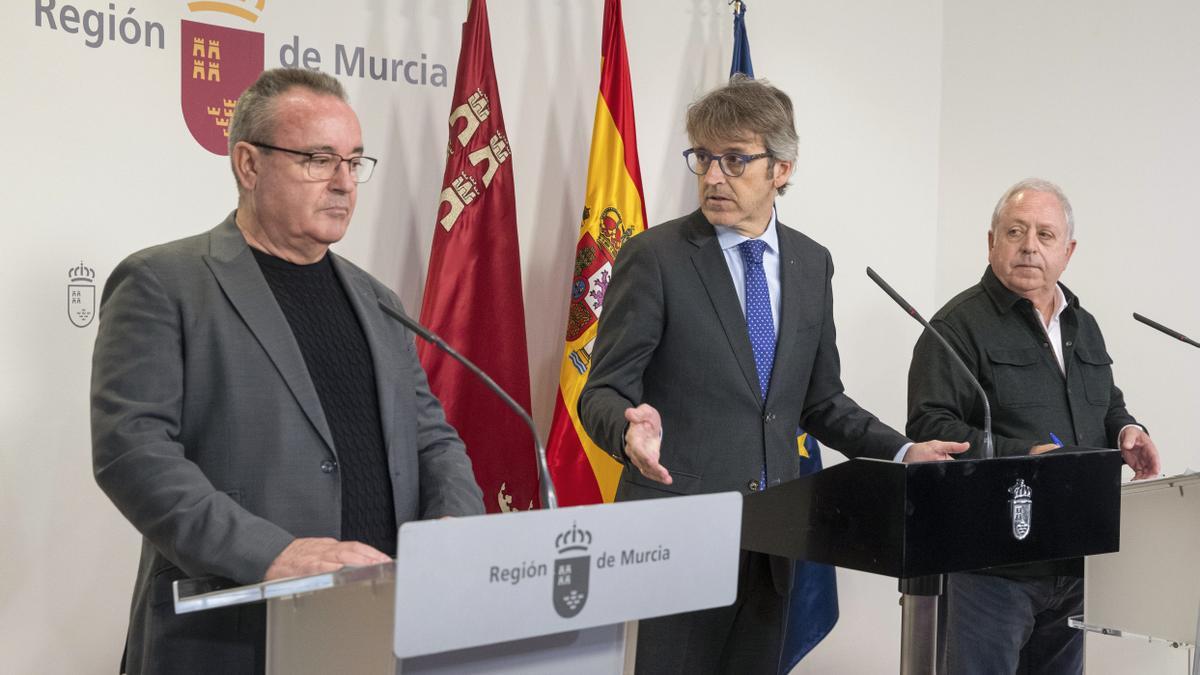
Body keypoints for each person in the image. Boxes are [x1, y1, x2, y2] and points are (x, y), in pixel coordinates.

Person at [91, 68, 484, 674]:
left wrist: (454, 526)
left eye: (355, 161)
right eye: (318, 159)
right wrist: (273, 554)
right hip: (234, 630)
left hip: (380, 628)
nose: (344, 183)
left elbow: (430, 436)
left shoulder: (377, 300)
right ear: (248, 165)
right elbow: (133, 454)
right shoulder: (163, 283)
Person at [577, 74, 967, 674]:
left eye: (735, 159)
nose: (713, 176)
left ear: (782, 168)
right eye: (703, 158)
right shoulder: (655, 258)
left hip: (775, 538)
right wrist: (626, 431)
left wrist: (904, 450)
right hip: (675, 533)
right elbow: (602, 390)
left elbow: (822, 401)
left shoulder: (812, 264)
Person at [906, 177, 1161, 674]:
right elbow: (929, 426)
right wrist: (1023, 455)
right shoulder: (955, 326)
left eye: (1045, 235)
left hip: (1078, 556)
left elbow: (1106, 403)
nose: (1029, 247)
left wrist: (1128, 430)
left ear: (1067, 251)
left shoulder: (1082, 324)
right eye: (1015, 231)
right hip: (992, 565)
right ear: (991, 241)